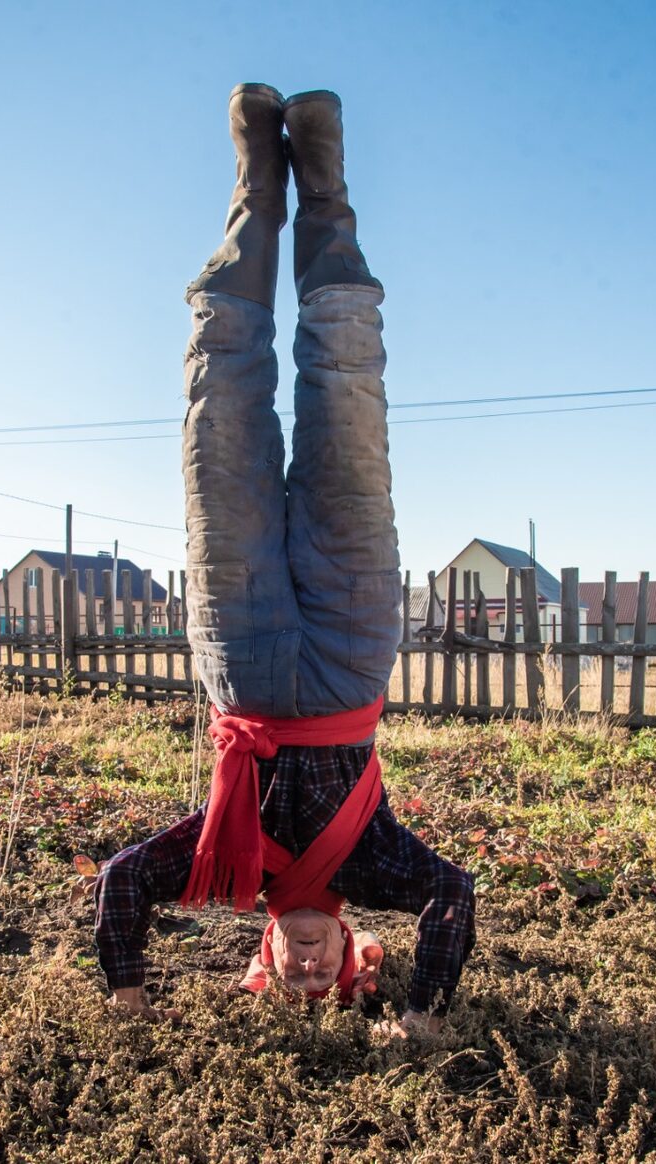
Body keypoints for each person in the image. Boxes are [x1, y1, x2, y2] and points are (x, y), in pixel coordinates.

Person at [94, 85, 475, 1036]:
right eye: (326, 973)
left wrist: (130, 997)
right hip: (351, 646)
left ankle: (255, 193)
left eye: (289, 971)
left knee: (220, 415)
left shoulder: (222, 866)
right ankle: (327, 185)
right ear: (352, 949)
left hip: (246, 658)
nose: (308, 965)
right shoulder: (372, 868)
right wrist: (423, 1011)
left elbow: (122, 883)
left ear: (261, 950)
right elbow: (454, 896)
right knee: (346, 393)